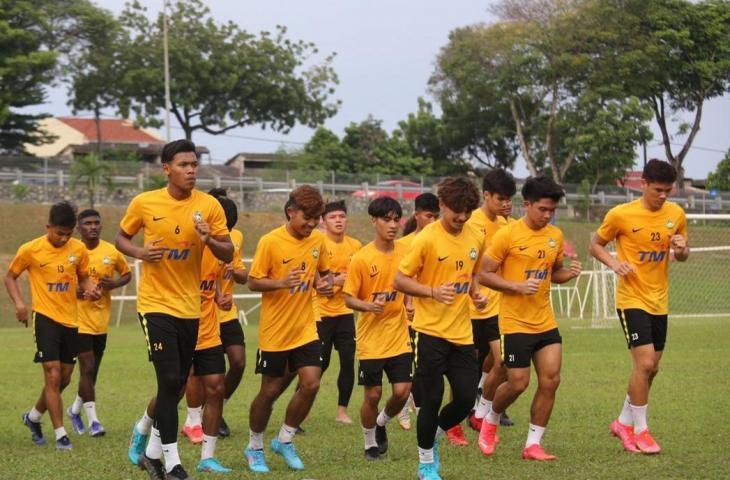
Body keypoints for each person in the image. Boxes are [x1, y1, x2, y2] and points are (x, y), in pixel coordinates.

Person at [120, 139, 233, 480]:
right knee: (169, 379)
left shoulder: (209, 207)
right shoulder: (145, 202)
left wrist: (209, 239)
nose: (191, 171)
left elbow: (227, 252)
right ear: (166, 168)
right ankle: (172, 462)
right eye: (184, 165)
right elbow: (121, 239)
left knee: (177, 385)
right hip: (155, 305)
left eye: (194, 165)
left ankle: (152, 452)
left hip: (190, 308)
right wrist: (140, 254)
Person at [477, 176, 581, 461]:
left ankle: (533, 444)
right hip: (514, 323)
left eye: (552, 211)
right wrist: (516, 286)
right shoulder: (506, 235)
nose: (547, 215)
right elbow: (484, 274)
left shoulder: (554, 237)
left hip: (545, 321)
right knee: (518, 383)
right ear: (527, 205)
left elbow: (553, 273)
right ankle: (490, 419)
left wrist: (567, 274)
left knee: (551, 381)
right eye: (542, 209)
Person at [589, 159, 688, 454]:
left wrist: (682, 249)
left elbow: (682, 256)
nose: (663, 196)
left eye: (668, 191)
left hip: (660, 300)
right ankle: (641, 430)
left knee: (651, 369)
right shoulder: (621, 214)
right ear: (642, 184)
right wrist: (615, 263)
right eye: (658, 189)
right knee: (644, 364)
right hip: (631, 299)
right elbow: (595, 245)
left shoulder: (676, 214)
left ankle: (622, 421)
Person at [394, 177, 486, 480]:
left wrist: (475, 293)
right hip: (429, 331)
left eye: (468, 212)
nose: (462, 218)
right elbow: (400, 280)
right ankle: (425, 463)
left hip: (462, 333)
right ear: (442, 205)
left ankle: (431, 431)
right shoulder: (427, 239)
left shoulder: (475, 236)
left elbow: (472, 273)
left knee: (464, 398)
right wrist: (432, 292)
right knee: (431, 399)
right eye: (456, 211)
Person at [244, 185, 333, 473]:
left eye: (316, 218)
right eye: (306, 218)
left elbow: (325, 272)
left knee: (311, 383)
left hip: (306, 327)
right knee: (269, 392)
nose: (311, 224)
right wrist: (282, 282)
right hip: (275, 332)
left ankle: (285, 439)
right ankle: (255, 446)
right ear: (290, 212)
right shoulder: (270, 242)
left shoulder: (318, 240)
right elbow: (254, 281)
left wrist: (326, 282)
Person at [5, 201, 100, 450]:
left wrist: (91, 289)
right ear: (48, 227)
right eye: (59, 233)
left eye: (68, 233)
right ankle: (60, 435)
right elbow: (10, 276)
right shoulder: (31, 249)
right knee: (53, 373)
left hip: (71, 319)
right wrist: (20, 304)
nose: (63, 238)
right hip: (45, 318)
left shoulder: (78, 249)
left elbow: (83, 277)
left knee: (64, 379)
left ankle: (34, 417)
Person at [343, 197, 413, 461]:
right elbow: (348, 298)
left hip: (398, 334)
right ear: (374, 221)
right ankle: (370, 441)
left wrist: (409, 302)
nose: (393, 225)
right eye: (386, 219)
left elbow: (410, 282)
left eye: (397, 219)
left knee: (402, 391)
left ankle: (382, 422)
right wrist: (368, 306)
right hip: (371, 339)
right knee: (373, 394)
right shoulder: (361, 259)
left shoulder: (406, 252)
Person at [66, 209, 131, 438]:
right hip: (77, 319)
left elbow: (127, 274)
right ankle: (94, 421)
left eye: (96, 223)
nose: (93, 227)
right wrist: (79, 291)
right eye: (87, 223)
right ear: (79, 228)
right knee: (88, 366)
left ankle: (74, 410)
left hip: (101, 321)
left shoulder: (111, 252)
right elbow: (59, 282)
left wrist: (112, 284)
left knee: (91, 373)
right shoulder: (71, 251)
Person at [467, 169, 517, 434]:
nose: (506, 204)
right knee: (475, 362)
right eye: (501, 198)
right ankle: (472, 404)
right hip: (476, 306)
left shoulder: (508, 224)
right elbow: (469, 265)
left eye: (509, 198)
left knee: (502, 362)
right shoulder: (472, 223)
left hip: (501, 306)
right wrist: (474, 292)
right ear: (486, 195)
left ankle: (485, 405)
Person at [394, 192, 439, 430]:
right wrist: (407, 303)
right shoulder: (403, 244)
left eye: (435, 217)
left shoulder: (440, 241)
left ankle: (415, 401)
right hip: (403, 315)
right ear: (417, 215)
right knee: (407, 363)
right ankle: (402, 403)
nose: (432, 222)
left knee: (423, 367)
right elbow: (401, 278)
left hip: (431, 315)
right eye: (428, 216)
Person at [317, 200, 362, 424]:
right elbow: (320, 286)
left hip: (345, 313)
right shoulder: (318, 244)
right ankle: (302, 406)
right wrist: (338, 280)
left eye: (341, 217)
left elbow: (362, 281)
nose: (338, 221)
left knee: (347, 361)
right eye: (333, 217)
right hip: (321, 313)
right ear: (323, 221)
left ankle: (342, 411)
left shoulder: (356, 246)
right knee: (319, 364)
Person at [211, 188, 248, 438]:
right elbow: (201, 272)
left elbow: (242, 274)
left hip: (228, 313)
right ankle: (199, 416)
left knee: (238, 361)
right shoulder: (203, 238)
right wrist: (216, 294)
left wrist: (234, 271)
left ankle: (217, 408)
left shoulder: (236, 237)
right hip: (204, 313)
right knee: (202, 373)